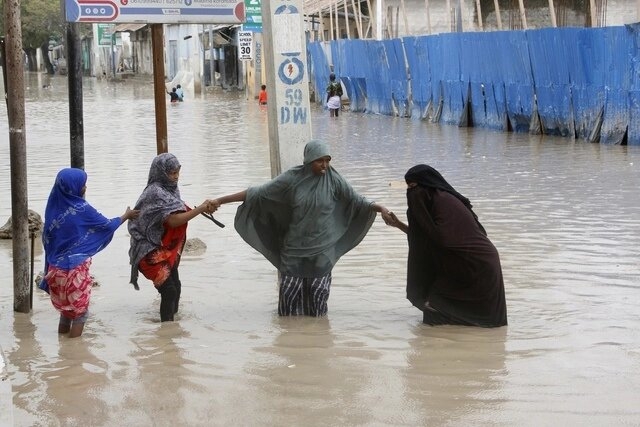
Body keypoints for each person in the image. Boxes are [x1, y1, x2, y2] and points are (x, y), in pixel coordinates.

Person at [213, 140, 392, 317]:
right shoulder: (292, 178)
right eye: (319, 161)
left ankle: (317, 342)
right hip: (294, 250)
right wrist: (220, 200)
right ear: (308, 161)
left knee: (318, 300)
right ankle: (288, 341)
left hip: (322, 250)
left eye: (327, 160)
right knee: (289, 300)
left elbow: (357, 200)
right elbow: (258, 193)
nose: (325, 165)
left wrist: (381, 208)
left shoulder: (334, 179)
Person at [385, 164, 508, 327]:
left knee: (436, 309)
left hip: (475, 266)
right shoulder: (436, 200)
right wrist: (399, 224)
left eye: (414, 187)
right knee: (442, 315)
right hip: (467, 264)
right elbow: (427, 237)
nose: (411, 193)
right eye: (408, 187)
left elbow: (440, 241)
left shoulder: (444, 202)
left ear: (426, 184)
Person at [41, 168, 139, 338]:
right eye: (83, 185)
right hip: (74, 271)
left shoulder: (52, 210)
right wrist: (127, 215)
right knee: (80, 313)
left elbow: (48, 242)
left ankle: (62, 348)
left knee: (66, 311)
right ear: (74, 187)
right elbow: (106, 225)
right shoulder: (81, 208)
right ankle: (74, 356)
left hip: (54, 270)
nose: (85, 188)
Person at [128, 153, 218, 322]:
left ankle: (170, 335)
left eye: (177, 172)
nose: (176, 177)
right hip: (149, 252)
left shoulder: (171, 189)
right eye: (172, 173)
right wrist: (199, 210)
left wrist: (203, 208)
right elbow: (173, 221)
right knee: (169, 291)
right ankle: (166, 330)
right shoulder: (155, 192)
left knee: (176, 286)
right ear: (161, 172)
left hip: (164, 250)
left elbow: (178, 210)